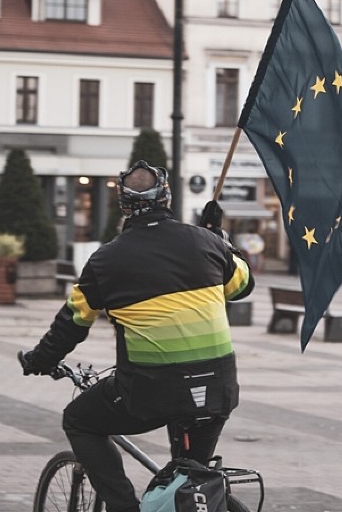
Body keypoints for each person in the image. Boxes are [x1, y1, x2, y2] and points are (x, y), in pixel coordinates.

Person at [18, 161, 254, 512]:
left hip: (150, 391)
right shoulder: (206, 241)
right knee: (189, 482)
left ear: (123, 205)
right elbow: (243, 287)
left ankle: (123, 507)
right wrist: (220, 240)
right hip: (216, 388)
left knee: (79, 420)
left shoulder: (106, 261)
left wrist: (40, 360)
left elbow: (72, 322)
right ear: (167, 197)